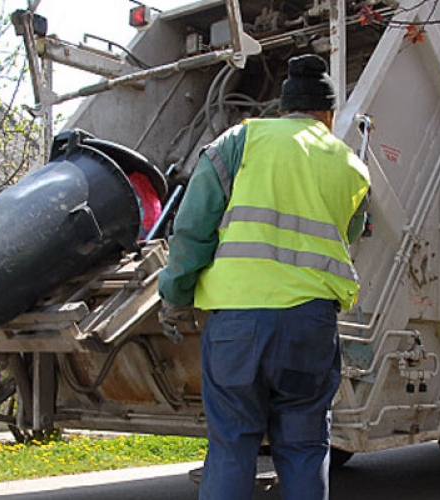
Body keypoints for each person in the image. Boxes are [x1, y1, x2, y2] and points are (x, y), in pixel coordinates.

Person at [158, 54, 371, 500]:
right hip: (309, 326)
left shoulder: (239, 141)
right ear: (327, 114)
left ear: (284, 107)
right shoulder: (350, 164)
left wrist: (175, 291)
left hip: (238, 325)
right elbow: (352, 230)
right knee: (305, 448)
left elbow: (193, 226)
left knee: (233, 444)